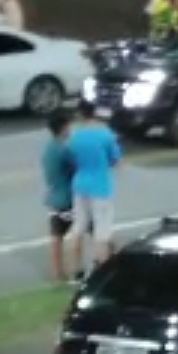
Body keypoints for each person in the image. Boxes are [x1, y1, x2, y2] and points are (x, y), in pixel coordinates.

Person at [66, 107, 124, 270]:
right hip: (100, 188)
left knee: (78, 226)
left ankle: (75, 270)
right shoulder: (107, 136)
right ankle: (102, 270)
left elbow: (73, 159)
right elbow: (117, 162)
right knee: (102, 231)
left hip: (79, 185)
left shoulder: (76, 136)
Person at [41, 110, 77, 282]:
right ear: (63, 128)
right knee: (84, 232)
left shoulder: (48, 148)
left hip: (53, 198)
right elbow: (75, 171)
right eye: (69, 125)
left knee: (56, 237)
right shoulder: (65, 150)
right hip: (67, 199)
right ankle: (77, 271)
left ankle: (58, 273)